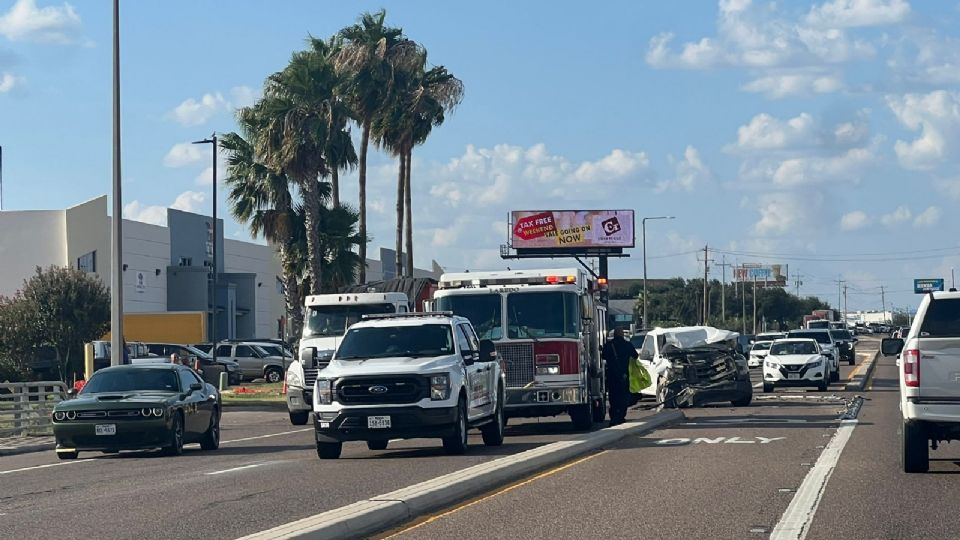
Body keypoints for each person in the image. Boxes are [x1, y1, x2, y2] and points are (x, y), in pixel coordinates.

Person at [603, 327, 638, 426]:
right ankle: (621, 416)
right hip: (624, 375)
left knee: (613, 397)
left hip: (612, 375)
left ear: (614, 335)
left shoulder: (609, 345)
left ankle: (613, 417)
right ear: (622, 335)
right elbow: (635, 356)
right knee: (623, 396)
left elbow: (603, 356)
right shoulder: (627, 345)